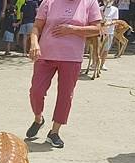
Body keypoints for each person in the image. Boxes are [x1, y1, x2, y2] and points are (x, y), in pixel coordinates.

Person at [25, 0, 101, 148]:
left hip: (71, 58)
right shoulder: (49, 1)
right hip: (45, 54)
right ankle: (38, 119)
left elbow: (97, 29)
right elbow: (36, 27)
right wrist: (34, 43)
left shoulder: (90, 3)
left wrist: (73, 29)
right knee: (36, 91)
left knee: (65, 95)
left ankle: (54, 132)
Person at [95, 0, 119, 70]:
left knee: (106, 49)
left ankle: (102, 64)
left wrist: (109, 23)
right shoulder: (100, 8)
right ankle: (94, 63)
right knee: (97, 48)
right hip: (100, 32)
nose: (107, 1)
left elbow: (115, 20)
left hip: (109, 32)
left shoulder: (115, 9)